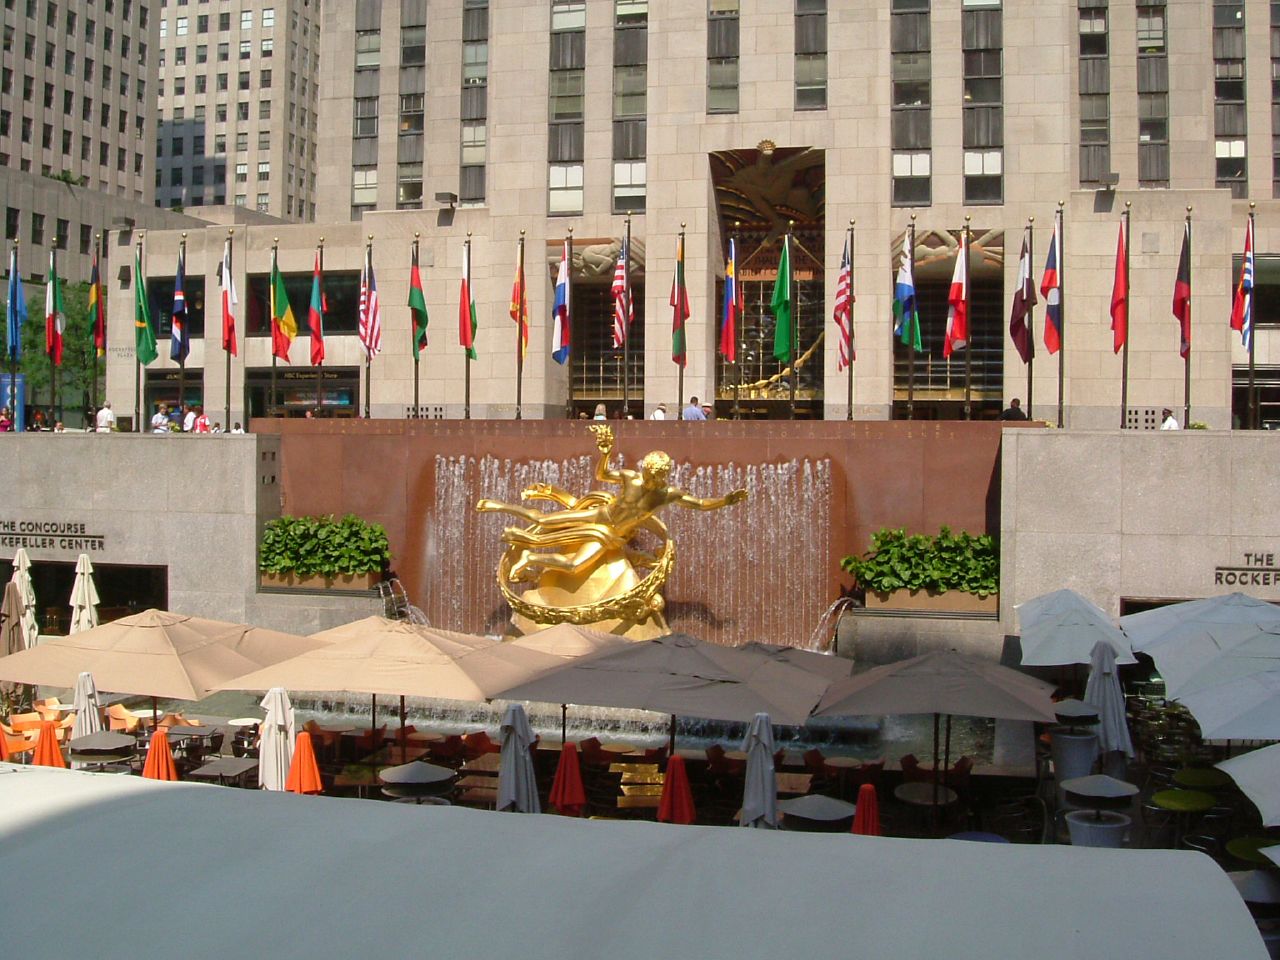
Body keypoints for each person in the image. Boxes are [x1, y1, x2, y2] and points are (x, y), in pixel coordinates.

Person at [477, 424, 747, 583]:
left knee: (573, 565)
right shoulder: (631, 478)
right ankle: (498, 506)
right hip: (600, 515)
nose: (648, 479)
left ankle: (530, 558)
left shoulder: (668, 495)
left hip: (611, 535)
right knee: (542, 520)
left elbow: (699, 504)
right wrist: (605, 454)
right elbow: (602, 475)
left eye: (654, 477)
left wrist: (724, 501)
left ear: (663, 476)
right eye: (647, 474)